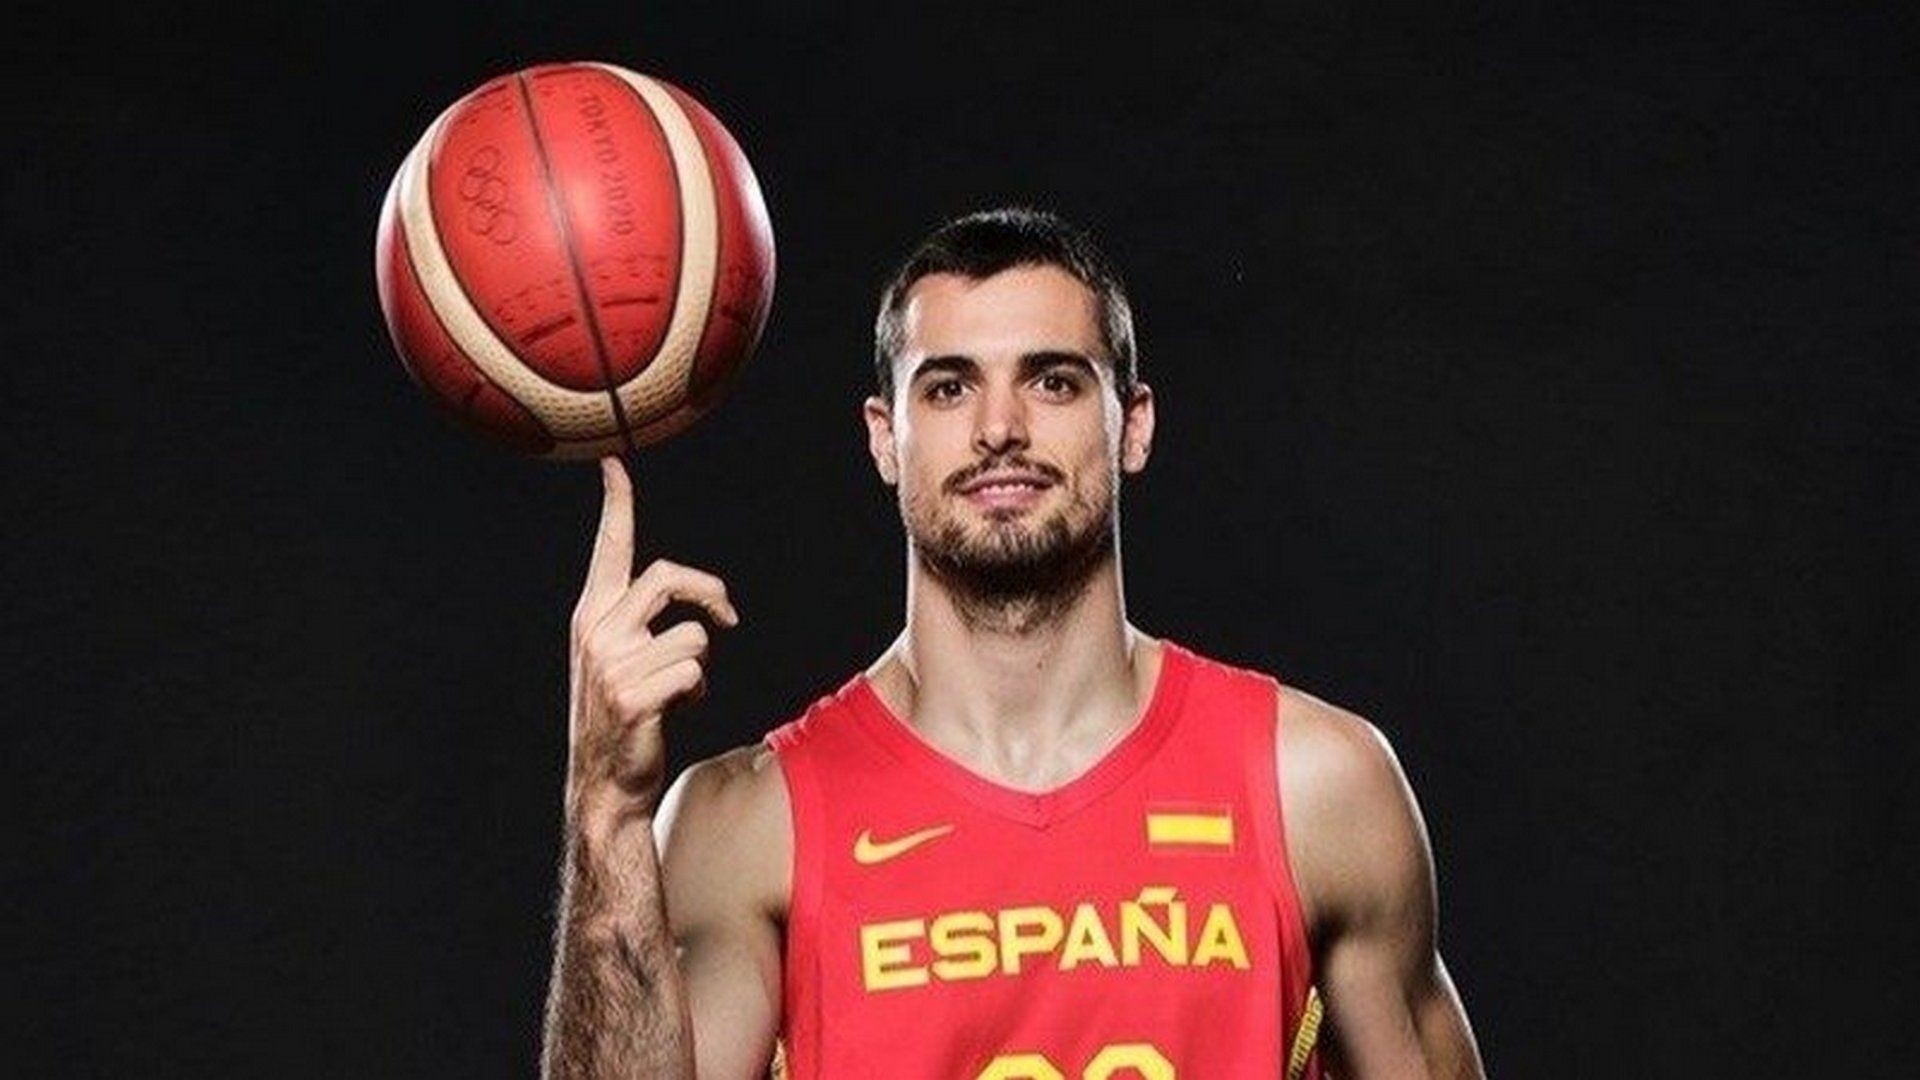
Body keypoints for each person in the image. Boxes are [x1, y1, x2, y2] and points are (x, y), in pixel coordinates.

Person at [539, 209, 1486, 1079]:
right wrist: (606, 811)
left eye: (1054, 381)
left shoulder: (1315, 786)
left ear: (1133, 425)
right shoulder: (751, 827)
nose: (1000, 429)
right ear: (885, 439)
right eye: (949, 387)